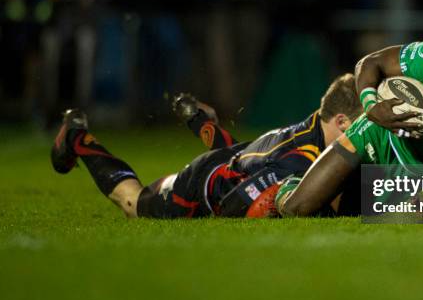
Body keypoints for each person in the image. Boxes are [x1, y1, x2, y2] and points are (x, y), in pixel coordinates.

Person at [50, 73, 362, 218]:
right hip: (201, 185)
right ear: (341, 122)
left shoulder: (314, 129)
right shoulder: (299, 158)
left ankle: (200, 121)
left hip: (234, 159)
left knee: (238, 154)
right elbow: (232, 205)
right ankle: (77, 137)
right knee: (134, 203)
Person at [275, 37, 423, 217]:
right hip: (379, 133)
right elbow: (371, 63)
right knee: (297, 209)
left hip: (420, 175)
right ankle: (289, 185)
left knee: (356, 217)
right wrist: (370, 105)